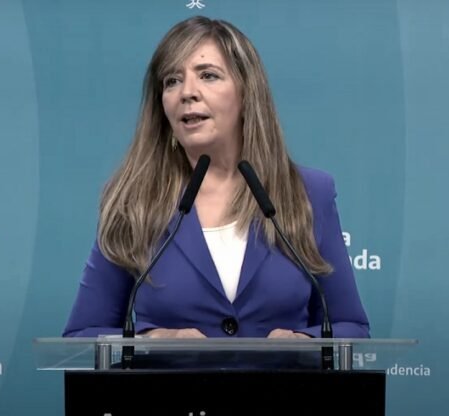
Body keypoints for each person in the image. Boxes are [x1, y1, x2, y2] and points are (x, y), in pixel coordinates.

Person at [63, 16, 370, 340]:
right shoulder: (132, 202)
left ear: (246, 93)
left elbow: (351, 327)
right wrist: (150, 341)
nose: (187, 92)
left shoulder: (308, 193)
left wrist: (304, 343)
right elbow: (82, 334)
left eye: (208, 75)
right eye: (172, 81)